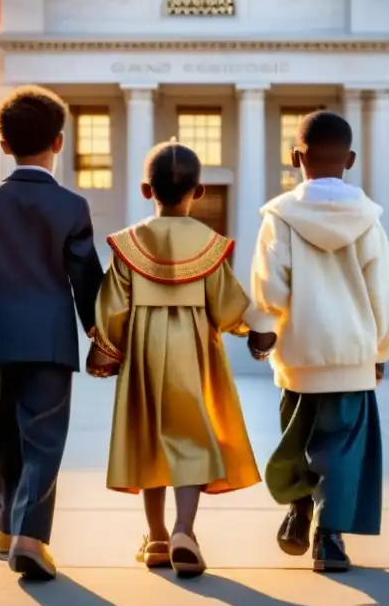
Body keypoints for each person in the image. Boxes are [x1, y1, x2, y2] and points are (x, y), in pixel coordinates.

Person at [86, 140, 273, 578]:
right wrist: (256, 332)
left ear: (146, 190)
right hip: (194, 352)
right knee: (191, 436)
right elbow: (228, 306)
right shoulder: (210, 246)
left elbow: (112, 308)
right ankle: (185, 530)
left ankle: (156, 538)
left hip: (145, 356)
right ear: (200, 190)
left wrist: (107, 352)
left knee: (151, 437)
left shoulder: (128, 245)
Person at [0, 85, 104, 581]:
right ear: (59, 142)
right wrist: (102, 334)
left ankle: (4, 528)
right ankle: (29, 536)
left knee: (5, 434)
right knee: (44, 439)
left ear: (3, 145)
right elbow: (86, 279)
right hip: (52, 343)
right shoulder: (72, 207)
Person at [249, 110, 389, 573]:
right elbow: (382, 292)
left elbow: (270, 282)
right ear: (350, 159)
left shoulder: (281, 216)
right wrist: (382, 351)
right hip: (351, 356)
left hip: (299, 357)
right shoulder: (369, 220)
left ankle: (297, 510)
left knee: (297, 442)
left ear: (296, 157)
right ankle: (329, 540)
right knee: (342, 450)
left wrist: (261, 329)